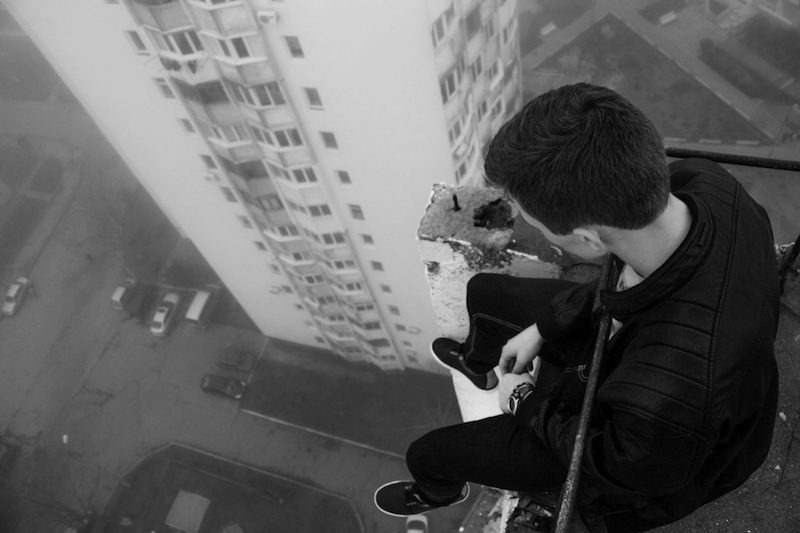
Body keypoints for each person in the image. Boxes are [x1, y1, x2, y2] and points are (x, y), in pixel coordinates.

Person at [373, 83, 780, 532]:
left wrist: (524, 402)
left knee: (428, 454)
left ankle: (439, 490)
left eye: (539, 226)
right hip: (633, 346)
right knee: (486, 294)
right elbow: (630, 283)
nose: (529, 225)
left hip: (640, 442)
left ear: (587, 240)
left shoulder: (672, 387)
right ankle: (480, 366)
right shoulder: (704, 183)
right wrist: (544, 328)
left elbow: (616, 467)